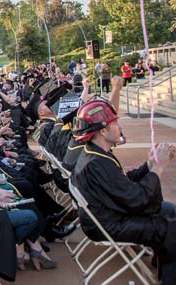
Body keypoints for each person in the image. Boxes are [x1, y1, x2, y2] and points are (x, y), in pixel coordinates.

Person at [71, 98, 176, 285]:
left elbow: (122, 184)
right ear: (103, 131)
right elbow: (135, 199)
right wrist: (158, 168)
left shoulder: (96, 154)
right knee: (169, 224)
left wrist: (149, 164)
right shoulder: (97, 163)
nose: (119, 126)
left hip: (106, 217)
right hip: (108, 224)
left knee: (169, 210)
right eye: (115, 123)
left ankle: (165, 259)